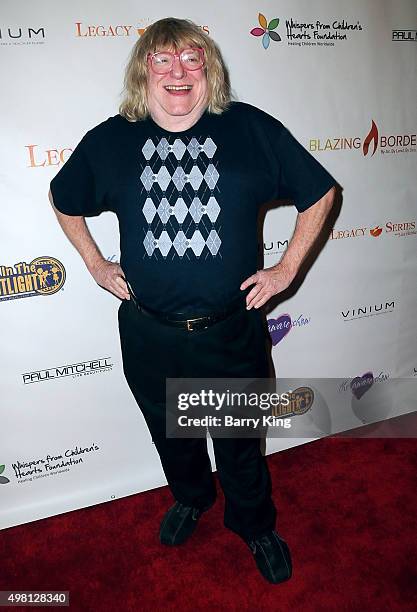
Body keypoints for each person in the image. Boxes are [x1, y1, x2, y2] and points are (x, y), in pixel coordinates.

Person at [49, 17, 336, 584]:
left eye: (191, 58)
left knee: (238, 440)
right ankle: (192, 496)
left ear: (209, 69)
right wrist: (96, 263)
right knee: (171, 431)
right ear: (143, 71)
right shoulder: (110, 140)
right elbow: (64, 197)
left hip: (230, 332)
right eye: (162, 60)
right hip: (150, 333)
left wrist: (285, 270)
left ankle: (253, 524)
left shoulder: (250, 130)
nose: (178, 71)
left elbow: (321, 191)